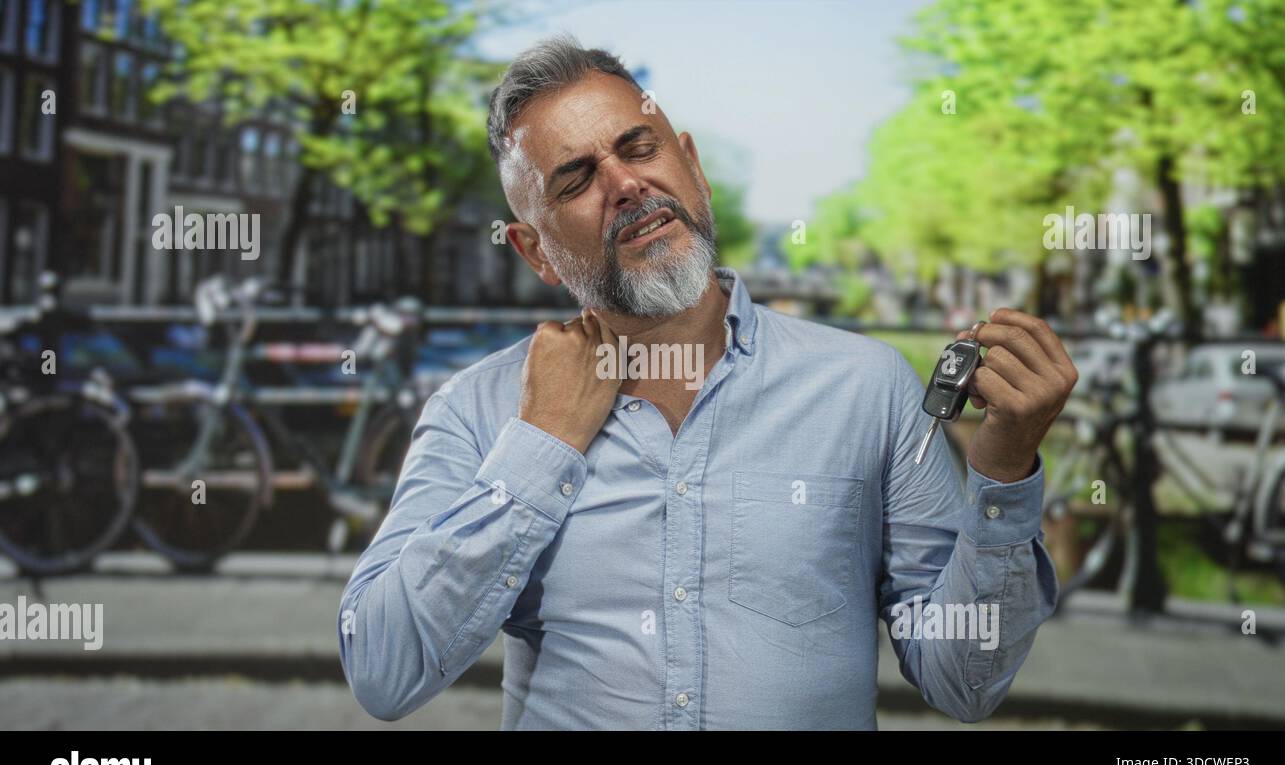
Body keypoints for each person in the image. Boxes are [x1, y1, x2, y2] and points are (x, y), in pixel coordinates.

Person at [337, 33, 1076, 729]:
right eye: (576, 178)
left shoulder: (867, 387)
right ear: (535, 250)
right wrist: (540, 444)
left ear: (690, 165)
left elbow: (966, 681)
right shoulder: (478, 410)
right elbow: (383, 668)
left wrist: (1003, 470)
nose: (626, 184)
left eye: (638, 147)